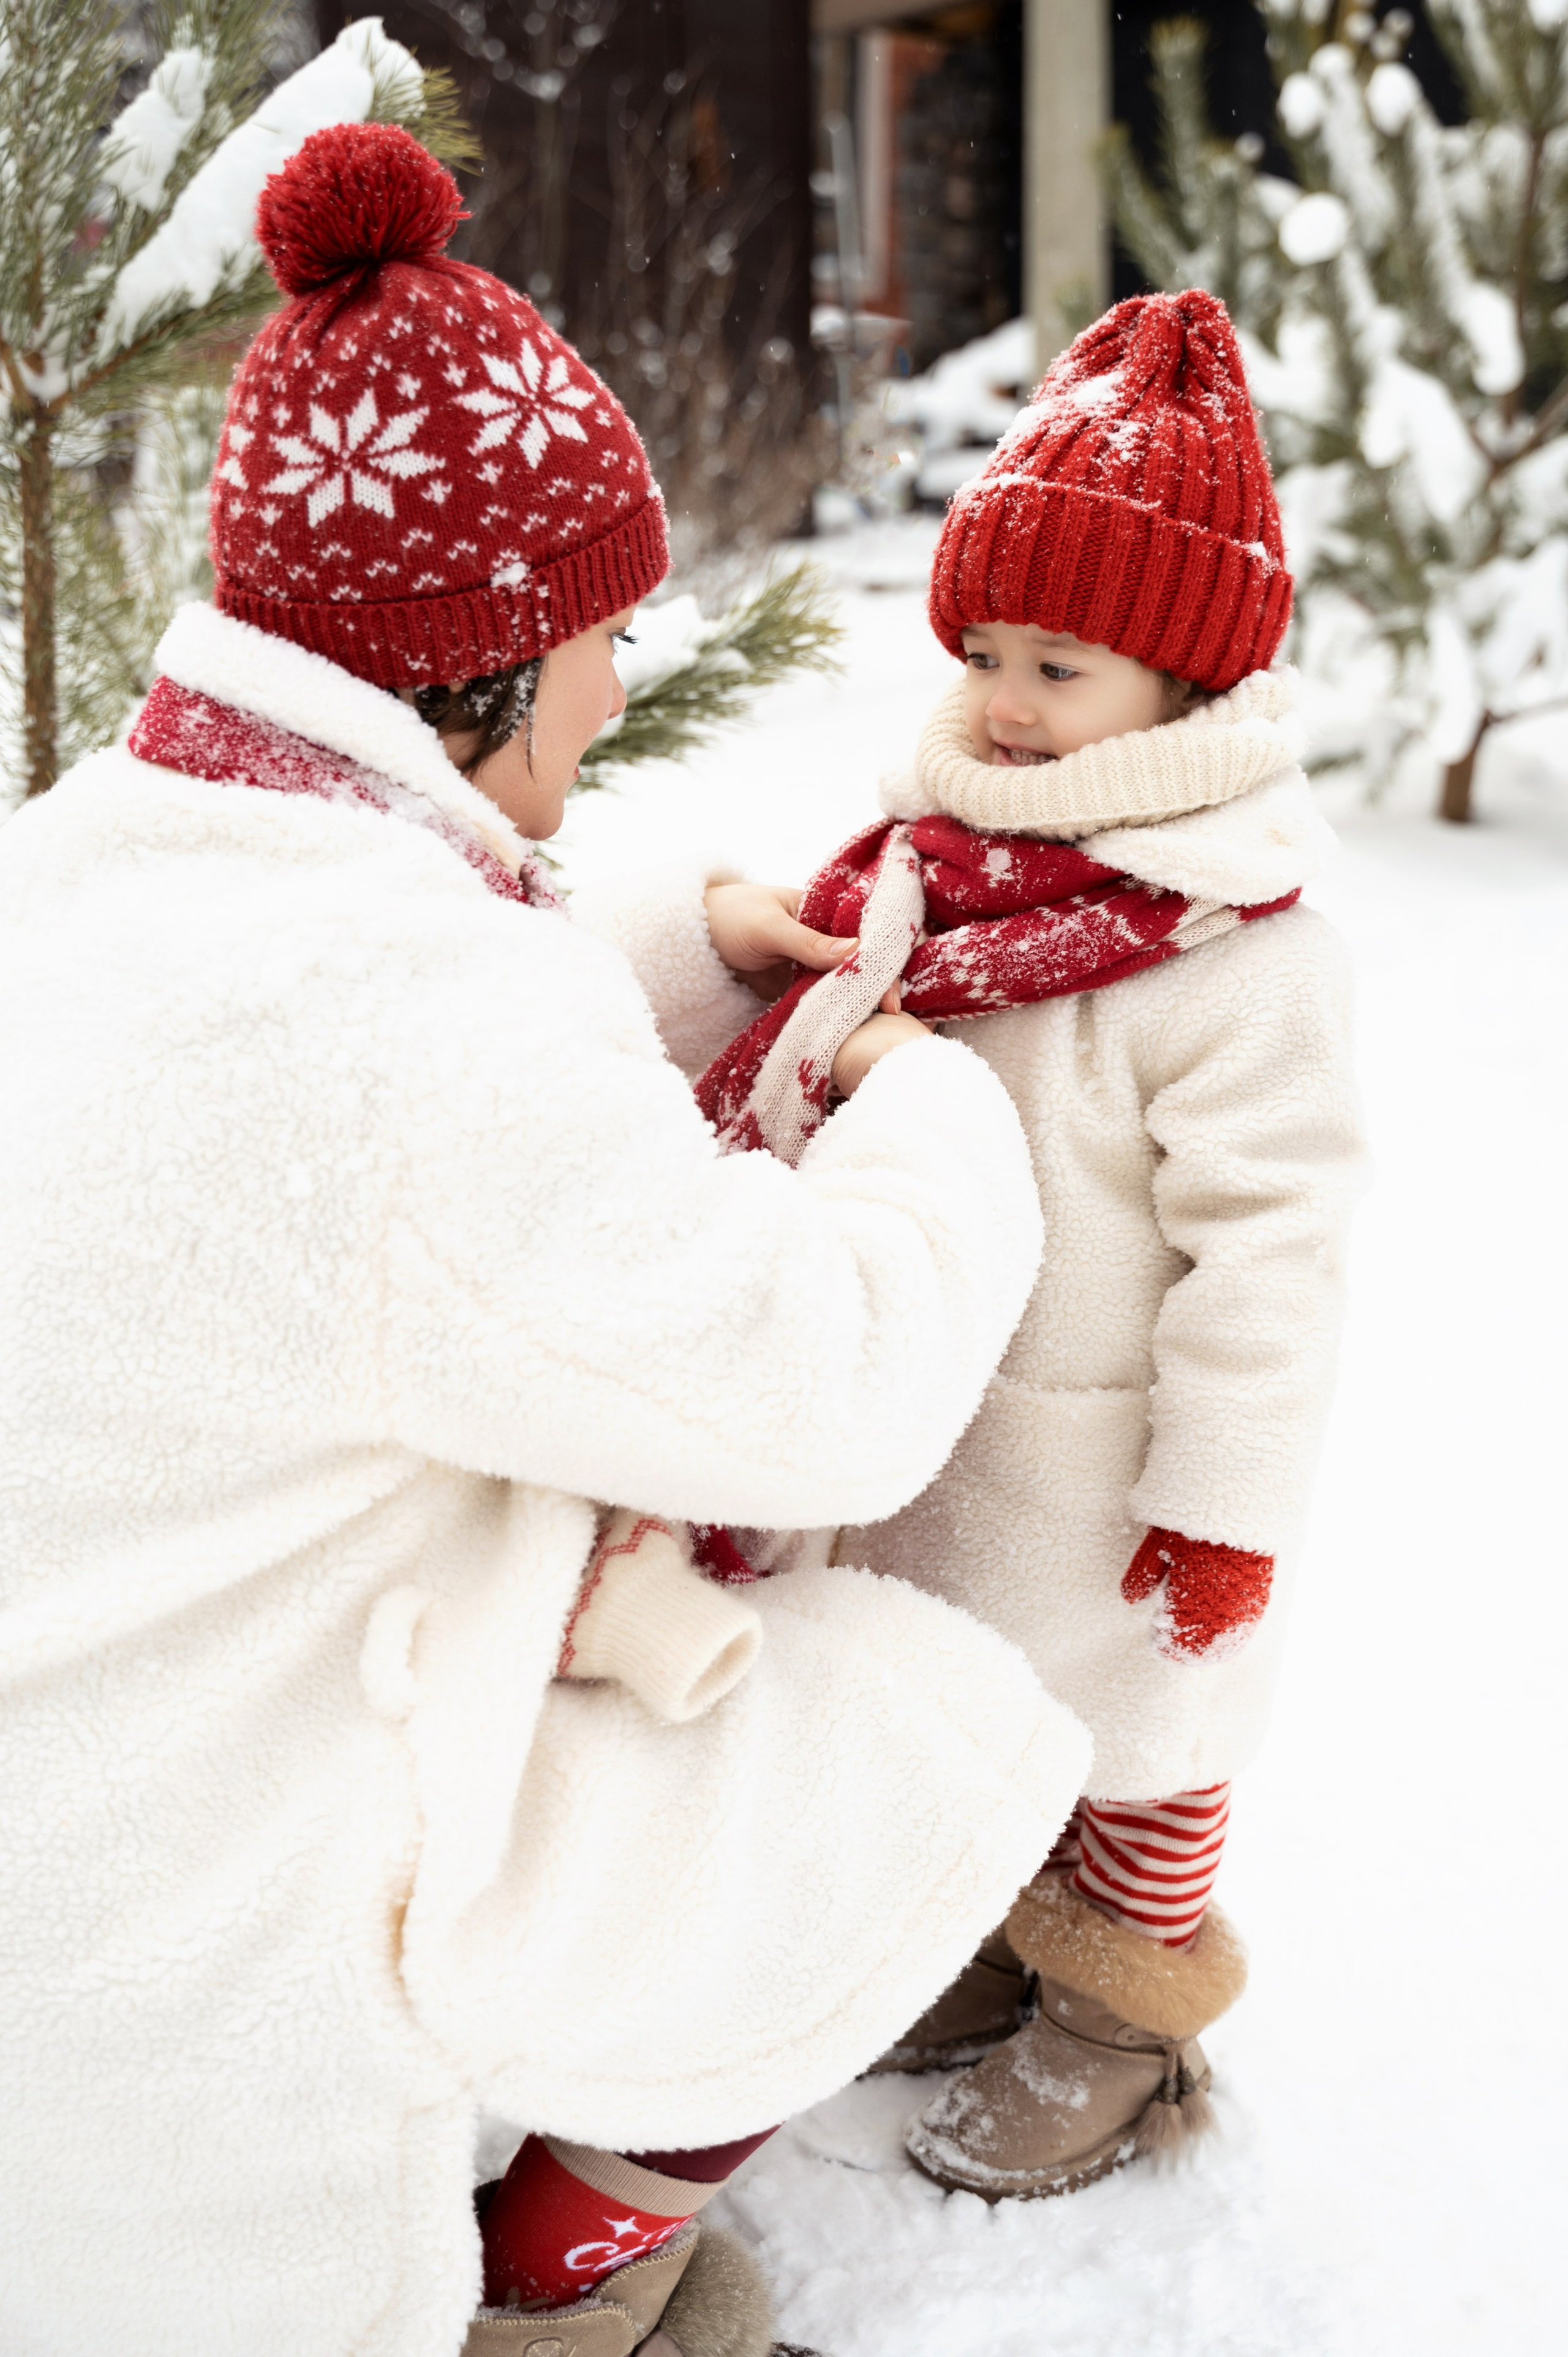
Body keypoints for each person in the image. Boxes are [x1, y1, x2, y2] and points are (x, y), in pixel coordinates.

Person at [0, 127, 1093, 2357]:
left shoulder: (92, 859)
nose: (617, 693)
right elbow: (828, 1386)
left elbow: (350, 1089)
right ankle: (557, 2296)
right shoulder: (423, 1038)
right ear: (475, 668)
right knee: (906, 1732)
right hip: (203, 1977)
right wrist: (927, 1107)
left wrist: (680, 949)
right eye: (599, 641)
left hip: (75, 1797)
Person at [698, 289, 1363, 2199]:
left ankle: (1128, 2023)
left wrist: (1220, 1505)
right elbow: (837, 1021)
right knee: (960, 1706)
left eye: (1061, 663)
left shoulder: (1245, 954)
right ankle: (993, 1953)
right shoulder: (938, 852)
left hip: (1118, 1475)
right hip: (935, 1407)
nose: (1002, 697)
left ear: (1183, 686)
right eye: (987, 644)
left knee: (1139, 1740)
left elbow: (1276, 1260)